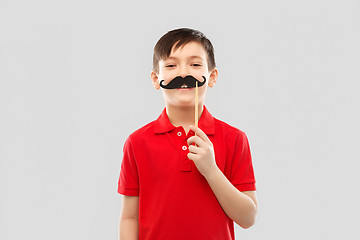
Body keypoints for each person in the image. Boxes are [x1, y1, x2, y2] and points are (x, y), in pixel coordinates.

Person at [117, 28, 258, 240]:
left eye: (195, 64)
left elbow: (248, 217)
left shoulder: (235, 139)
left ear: (212, 77)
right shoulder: (137, 142)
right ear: (156, 79)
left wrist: (211, 170)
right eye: (171, 65)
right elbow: (129, 217)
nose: (183, 73)